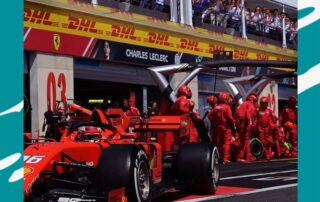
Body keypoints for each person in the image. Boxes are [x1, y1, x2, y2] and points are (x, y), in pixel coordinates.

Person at [208, 92, 235, 164]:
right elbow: (230, 118)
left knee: (219, 143)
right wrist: (233, 125)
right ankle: (225, 159)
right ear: (226, 98)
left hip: (217, 127)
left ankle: (219, 157)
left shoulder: (216, 107)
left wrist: (214, 122)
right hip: (226, 127)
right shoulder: (227, 107)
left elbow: (209, 116)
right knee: (226, 143)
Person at [234, 93, 257, 162]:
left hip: (239, 125)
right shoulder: (250, 105)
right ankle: (249, 157)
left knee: (242, 142)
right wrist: (248, 125)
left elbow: (236, 114)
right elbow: (248, 116)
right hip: (244, 125)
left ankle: (239, 157)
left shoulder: (242, 104)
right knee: (246, 141)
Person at [255, 96, 275, 160]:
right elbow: (255, 118)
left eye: (265, 103)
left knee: (269, 141)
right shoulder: (258, 110)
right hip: (260, 128)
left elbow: (274, 118)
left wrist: (273, 124)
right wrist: (254, 126)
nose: (264, 105)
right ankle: (267, 155)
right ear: (261, 103)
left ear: (267, 103)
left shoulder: (269, 111)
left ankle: (269, 153)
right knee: (263, 142)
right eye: (262, 103)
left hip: (268, 128)